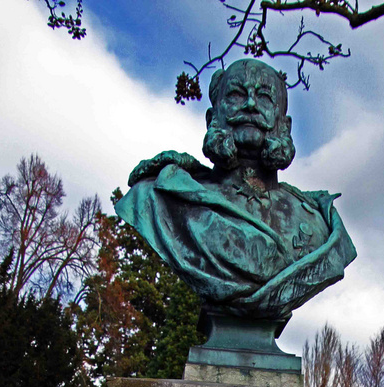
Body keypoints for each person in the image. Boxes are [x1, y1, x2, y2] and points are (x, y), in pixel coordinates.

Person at [115, 59, 356, 322]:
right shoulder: (161, 197)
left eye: (264, 97)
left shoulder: (319, 221)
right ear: (212, 118)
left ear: (284, 126)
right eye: (236, 95)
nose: (250, 105)